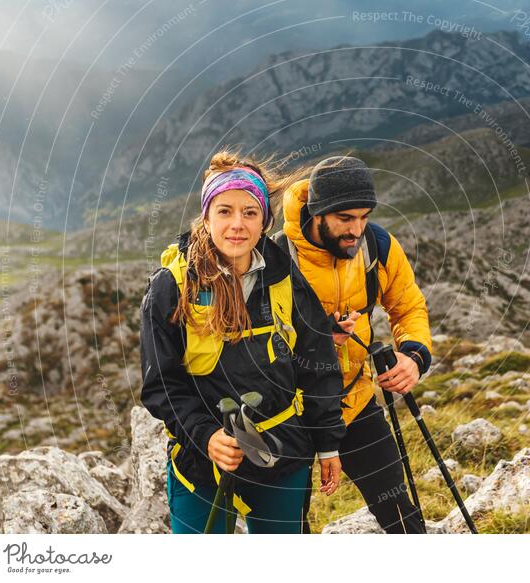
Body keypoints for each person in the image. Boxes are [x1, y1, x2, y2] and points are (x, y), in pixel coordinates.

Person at [140, 149, 345, 534]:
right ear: (207, 216)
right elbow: (161, 384)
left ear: (265, 220)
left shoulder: (285, 277)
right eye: (225, 211)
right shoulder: (172, 286)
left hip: (281, 452)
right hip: (201, 461)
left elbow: (317, 363)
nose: (237, 224)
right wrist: (206, 436)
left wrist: (328, 442)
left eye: (250, 212)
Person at [278, 156, 433, 533]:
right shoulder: (277, 258)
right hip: (289, 410)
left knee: (399, 512)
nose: (357, 229)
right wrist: (317, 338)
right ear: (318, 213)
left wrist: (413, 355)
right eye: (345, 219)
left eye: (363, 216)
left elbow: (408, 305)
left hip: (353, 399)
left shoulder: (376, 245)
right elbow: (253, 339)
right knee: (286, 528)